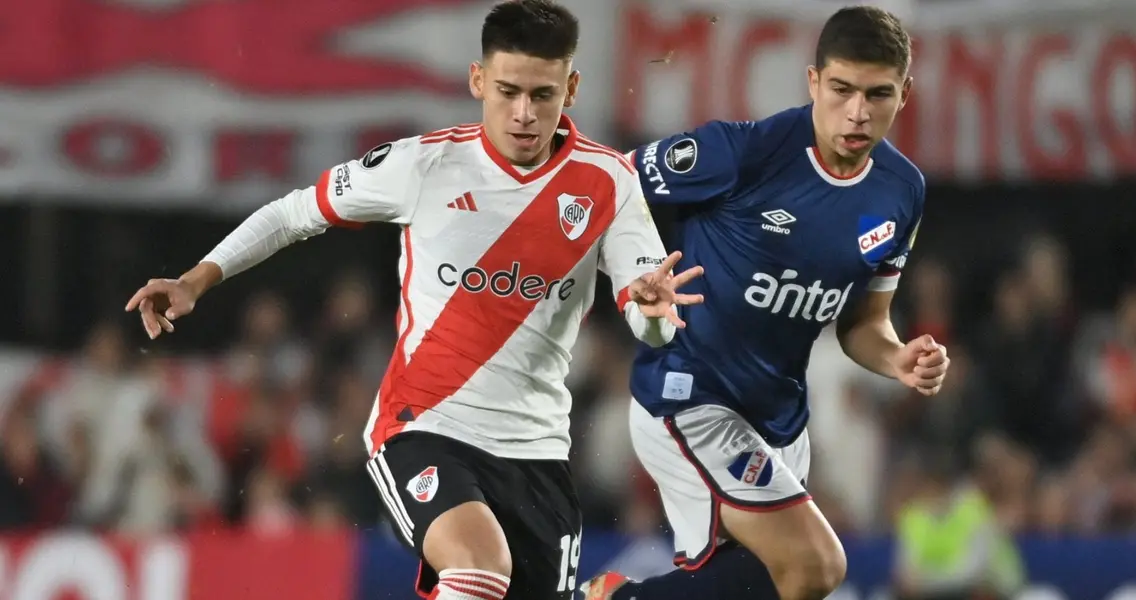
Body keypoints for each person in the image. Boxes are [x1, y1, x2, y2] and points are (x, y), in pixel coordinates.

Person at [125, 2, 703, 598]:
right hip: (425, 423)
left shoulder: (608, 183)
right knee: (479, 566)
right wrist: (196, 279)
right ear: (478, 80)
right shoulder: (424, 165)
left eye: (542, 94)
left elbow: (648, 314)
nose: (525, 114)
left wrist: (655, 319)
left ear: (571, 88)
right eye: (507, 91)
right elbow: (295, 213)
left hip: (538, 451)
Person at [583, 6, 950, 600]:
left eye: (877, 94)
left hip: (778, 421)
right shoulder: (744, 153)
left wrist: (897, 358)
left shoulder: (901, 190)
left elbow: (864, 323)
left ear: (904, 94)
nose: (857, 111)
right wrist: (636, 274)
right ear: (813, 82)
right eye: (842, 90)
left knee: (763, 583)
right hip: (689, 398)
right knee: (815, 566)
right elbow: (606, 189)